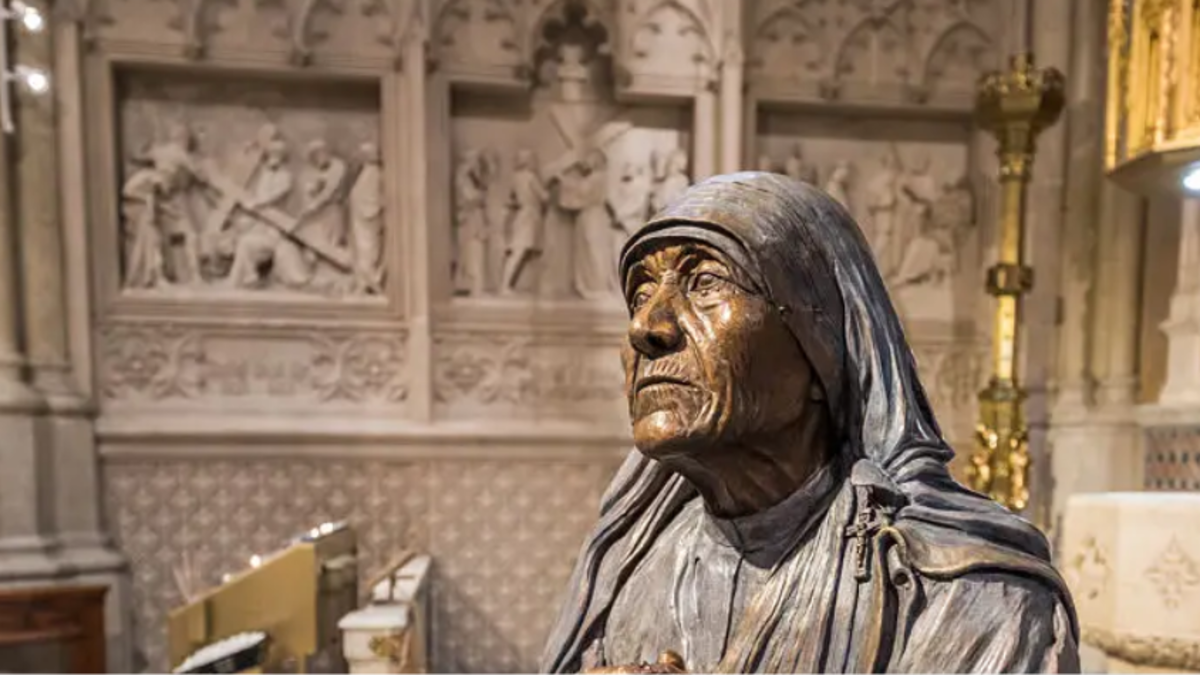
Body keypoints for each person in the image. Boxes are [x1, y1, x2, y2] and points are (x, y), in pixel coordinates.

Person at [541, 172, 1079, 674]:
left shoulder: (966, 600)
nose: (645, 326)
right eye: (639, 295)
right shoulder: (622, 571)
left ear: (824, 342)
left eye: (705, 282)